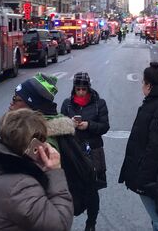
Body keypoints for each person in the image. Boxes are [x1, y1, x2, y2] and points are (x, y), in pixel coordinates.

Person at [9, 73, 96, 219]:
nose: (11, 103)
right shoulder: (33, 132)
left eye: (16, 99)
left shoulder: (42, 142)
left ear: (32, 106)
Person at [0, 108, 74, 231]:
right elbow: (60, 225)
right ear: (34, 145)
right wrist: (55, 172)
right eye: (43, 140)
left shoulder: (0, 166)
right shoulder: (20, 187)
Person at [119, 62, 158, 231]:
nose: (141, 86)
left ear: (149, 85)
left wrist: (143, 182)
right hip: (150, 175)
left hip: (152, 178)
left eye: (143, 82)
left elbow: (156, 150)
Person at [61, 72, 110, 231]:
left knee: (92, 189)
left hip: (93, 150)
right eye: (78, 89)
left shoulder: (99, 103)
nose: (81, 92)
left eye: (83, 89)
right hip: (72, 151)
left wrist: (89, 125)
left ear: (88, 88)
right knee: (70, 186)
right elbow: (60, 125)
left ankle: (91, 223)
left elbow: (104, 126)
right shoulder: (67, 104)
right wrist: (71, 125)